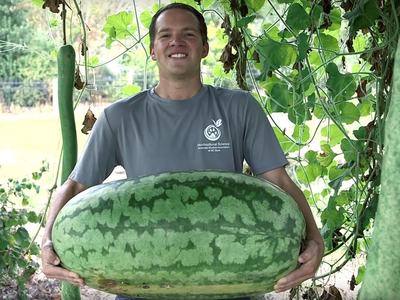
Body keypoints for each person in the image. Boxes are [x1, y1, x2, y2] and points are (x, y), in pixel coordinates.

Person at [41, 3, 324, 300]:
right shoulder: (120, 117)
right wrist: (48, 240)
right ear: (153, 50)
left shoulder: (239, 108)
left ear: (204, 47)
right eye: (165, 35)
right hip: (143, 287)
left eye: (188, 34)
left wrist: (315, 240)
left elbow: (279, 182)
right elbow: (75, 185)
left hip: (230, 286)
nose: (176, 42)